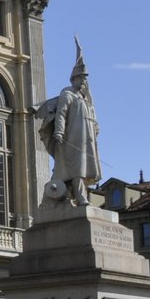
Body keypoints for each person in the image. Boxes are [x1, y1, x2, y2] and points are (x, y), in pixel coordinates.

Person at [37, 39, 101, 205]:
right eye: (82, 78)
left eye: (85, 79)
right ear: (75, 79)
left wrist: (95, 127)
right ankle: (80, 196)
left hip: (87, 139)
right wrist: (59, 132)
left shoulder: (84, 98)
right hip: (72, 138)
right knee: (76, 167)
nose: (84, 82)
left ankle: (80, 195)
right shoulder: (68, 94)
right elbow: (61, 114)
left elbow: (91, 116)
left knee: (85, 167)